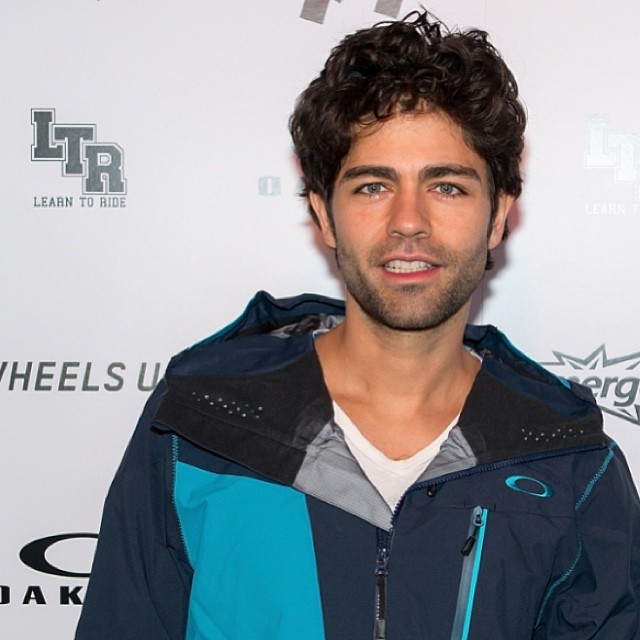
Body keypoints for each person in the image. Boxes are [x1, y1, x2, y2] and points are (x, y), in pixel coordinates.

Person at [75, 10, 640, 640]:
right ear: (323, 212)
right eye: (373, 186)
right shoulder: (198, 425)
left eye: (447, 186)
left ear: (499, 213)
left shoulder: (571, 463)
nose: (408, 220)